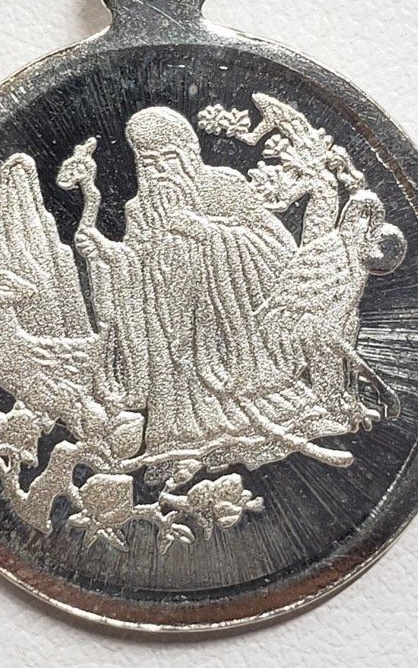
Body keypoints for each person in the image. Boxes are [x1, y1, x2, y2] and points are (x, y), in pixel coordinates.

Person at [74, 106, 296, 459]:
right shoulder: (139, 209)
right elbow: (135, 264)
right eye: (149, 163)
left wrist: (206, 233)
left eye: (168, 158)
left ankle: (246, 423)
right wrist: (107, 253)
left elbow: (276, 247)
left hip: (222, 322)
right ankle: (180, 436)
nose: (160, 170)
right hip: (165, 322)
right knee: (176, 375)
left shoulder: (223, 185)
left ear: (189, 154)